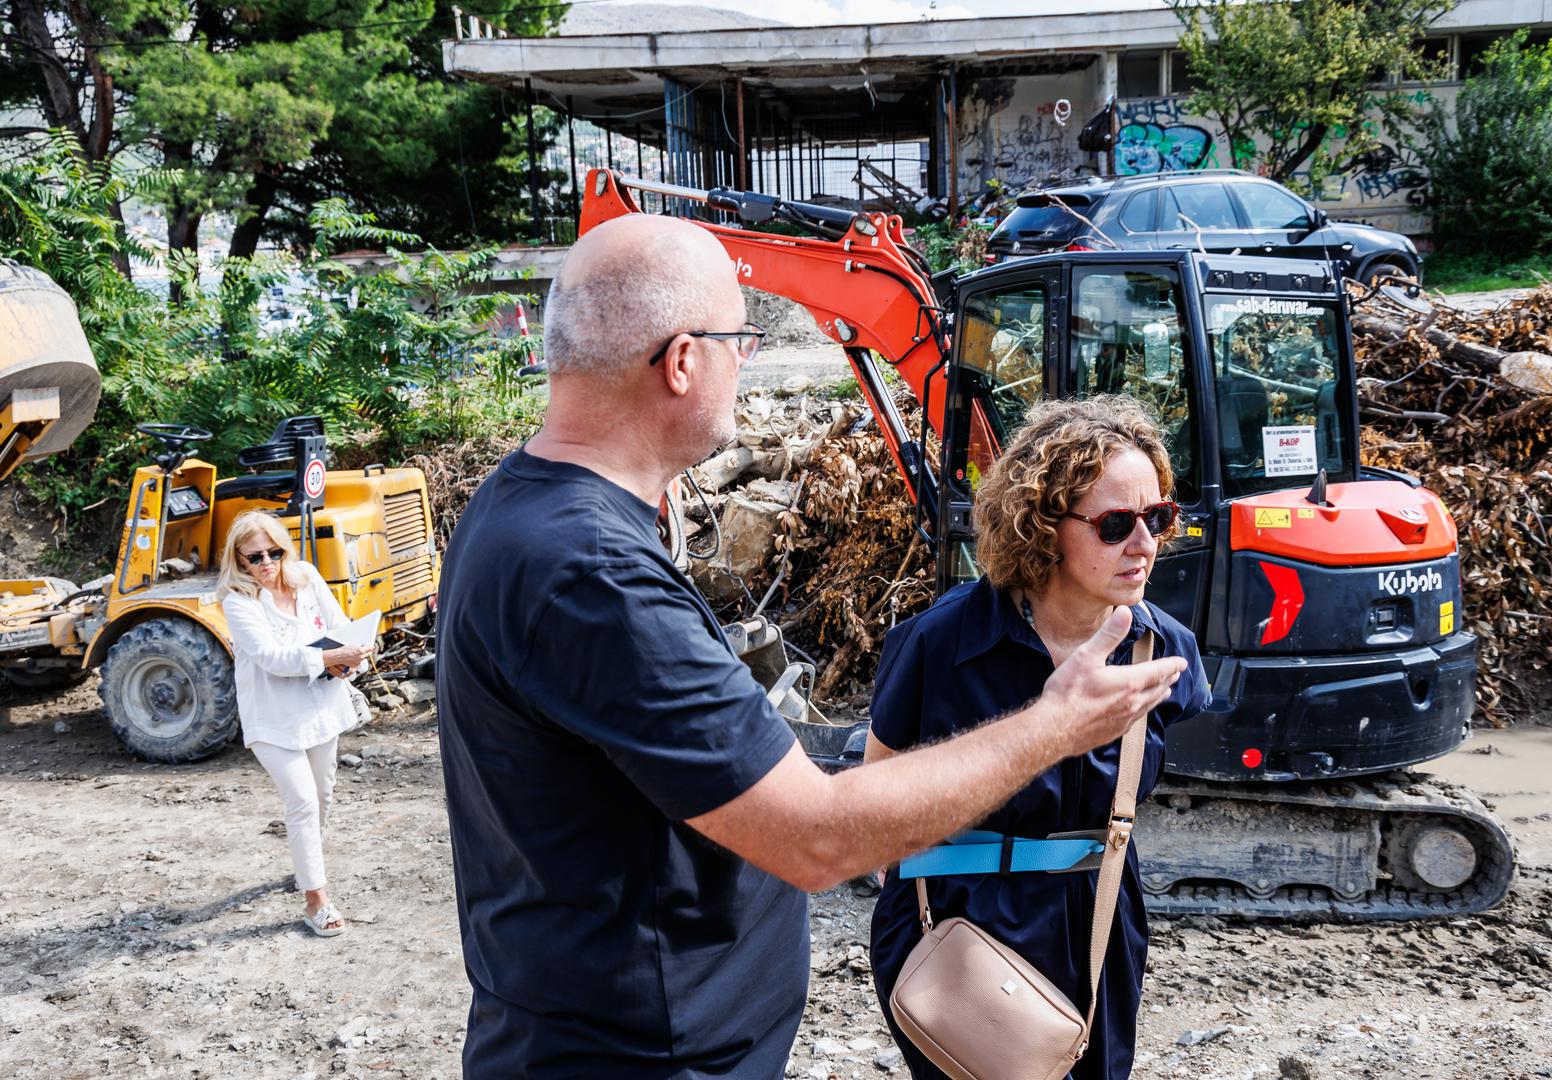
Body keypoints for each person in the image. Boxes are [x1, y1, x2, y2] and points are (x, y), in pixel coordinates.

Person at [434, 214, 1189, 1078]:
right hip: (639, 1056)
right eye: (739, 339)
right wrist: (1054, 725)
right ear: (682, 361)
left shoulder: (522, 510)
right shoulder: (591, 574)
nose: (744, 359)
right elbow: (820, 839)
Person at [866, 396, 1212, 1080]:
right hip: (951, 918)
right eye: (1116, 524)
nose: (1143, 544)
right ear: (1045, 525)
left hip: (1094, 920)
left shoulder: (1163, 649)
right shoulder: (941, 641)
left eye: (1158, 517)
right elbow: (873, 794)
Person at [218, 510, 373, 937]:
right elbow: (271, 657)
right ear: (240, 561)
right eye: (255, 557)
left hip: (320, 707)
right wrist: (328, 658)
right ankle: (316, 900)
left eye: (273, 552)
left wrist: (353, 657)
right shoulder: (238, 601)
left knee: (322, 794)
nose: (266, 563)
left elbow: (341, 625)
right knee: (302, 800)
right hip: (273, 718)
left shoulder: (306, 576)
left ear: (285, 548)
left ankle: (307, 866)